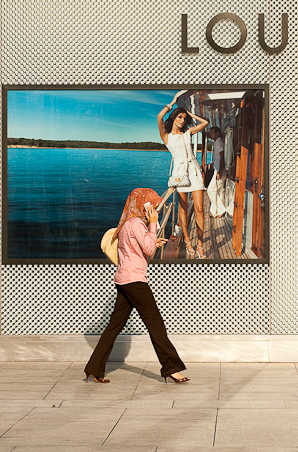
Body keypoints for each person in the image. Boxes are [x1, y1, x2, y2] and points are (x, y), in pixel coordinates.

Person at [84, 188, 189, 384]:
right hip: (135, 281)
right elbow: (148, 250)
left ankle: (94, 367)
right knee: (155, 324)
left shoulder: (126, 224)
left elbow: (137, 246)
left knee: (114, 326)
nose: (154, 208)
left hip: (123, 280)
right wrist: (153, 224)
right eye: (152, 205)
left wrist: (152, 238)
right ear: (143, 205)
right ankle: (171, 368)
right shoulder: (138, 224)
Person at [157, 95, 209, 258]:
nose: (182, 120)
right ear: (173, 117)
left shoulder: (188, 132)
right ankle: (187, 240)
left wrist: (189, 113)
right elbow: (159, 117)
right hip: (180, 175)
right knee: (183, 209)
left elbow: (205, 123)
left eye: (184, 118)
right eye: (179, 117)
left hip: (194, 172)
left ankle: (200, 244)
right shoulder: (166, 136)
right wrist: (172, 104)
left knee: (200, 208)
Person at [206, 127, 228, 218]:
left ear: (217, 134)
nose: (210, 134)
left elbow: (222, 157)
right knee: (216, 191)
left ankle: (221, 210)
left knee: (210, 190)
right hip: (217, 169)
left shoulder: (219, 143)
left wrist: (220, 171)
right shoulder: (217, 142)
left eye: (212, 133)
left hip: (220, 170)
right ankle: (214, 212)